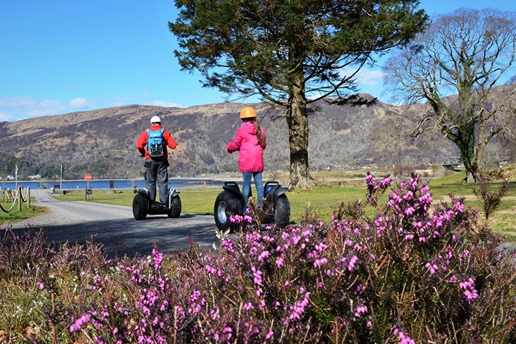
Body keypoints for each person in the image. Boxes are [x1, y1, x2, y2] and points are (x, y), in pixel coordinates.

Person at [226, 106, 267, 210]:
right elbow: (263, 145)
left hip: (246, 162)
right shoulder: (260, 130)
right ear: (254, 118)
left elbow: (236, 144)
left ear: (243, 119)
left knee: (246, 185)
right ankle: (260, 206)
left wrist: (229, 147)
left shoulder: (242, 130)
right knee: (259, 185)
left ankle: (245, 208)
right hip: (258, 161)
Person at [136, 115, 177, 206]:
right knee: (162, 182)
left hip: (150, 160)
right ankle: (164, 204)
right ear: (160, 123)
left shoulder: (146, 133)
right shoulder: (164, 132)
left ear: (151, 123)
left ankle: (151, 204)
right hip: (162, 161)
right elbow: (173, 145)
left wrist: (143, 153)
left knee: (150, 183)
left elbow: (139, 145)